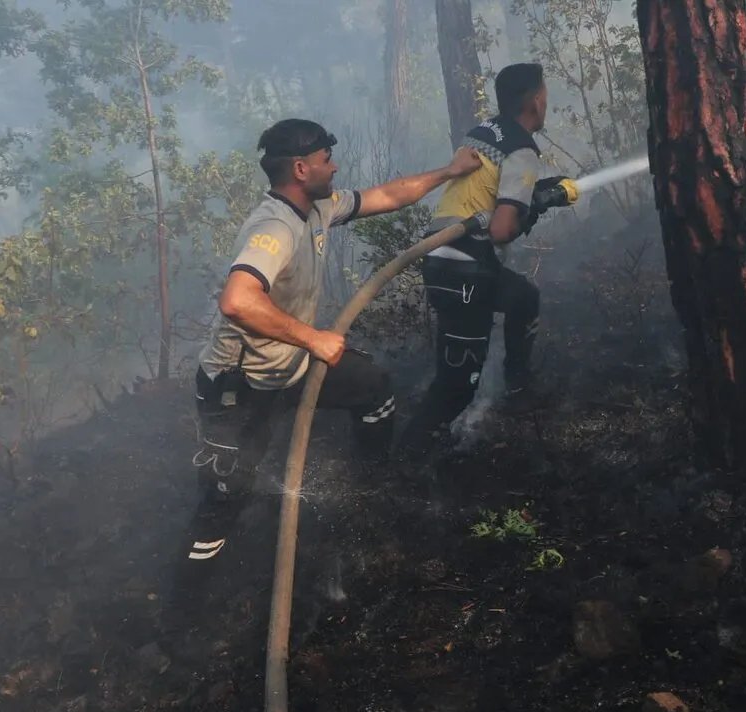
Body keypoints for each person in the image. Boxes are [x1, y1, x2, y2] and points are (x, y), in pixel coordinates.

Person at [180, 119, 481, 576]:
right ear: (301, 169)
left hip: (290, 365)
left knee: (373, 388)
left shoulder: (319, 208)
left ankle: (372, 488)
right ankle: (187, 603)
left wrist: (450, 171)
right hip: (239, 387)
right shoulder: (274, 226)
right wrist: (313, 338)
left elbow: (388, 195)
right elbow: (237, 301)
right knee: (225, 496)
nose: (335, 167)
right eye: (326, 161)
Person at [400, 63, 565, 453]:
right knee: (456, 387)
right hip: (465, 267)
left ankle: (518, 386)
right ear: (537, 102)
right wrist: (538, 204)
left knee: (522, 296)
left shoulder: (485, 132)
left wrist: (535, 194)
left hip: (445, 258)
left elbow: (484, 193)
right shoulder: (522, 149)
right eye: (546, 96)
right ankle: (405, 460)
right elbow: (502, 229)